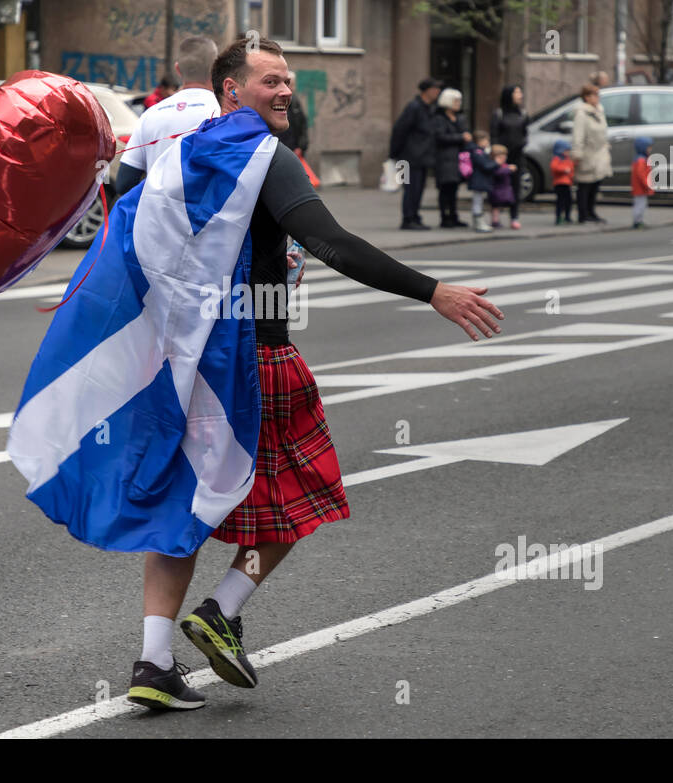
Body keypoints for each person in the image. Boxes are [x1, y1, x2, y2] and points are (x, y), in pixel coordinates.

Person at [128, 38, 504, 710]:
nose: (284, 92)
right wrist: (433, 291)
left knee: (179, 511)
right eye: (270, 80)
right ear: (230, 89)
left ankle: (153, 664)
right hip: (255, 360)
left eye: (287, 82)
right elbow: (333, 242)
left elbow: (125, 234)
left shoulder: (182, 154)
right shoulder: (266, 157)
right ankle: (222, 608)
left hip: (181, 363)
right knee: (303, 492)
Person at [116, 38, 219, 190]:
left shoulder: (150, 115)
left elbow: (124, 183)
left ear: (178, 69)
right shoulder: (224, 113)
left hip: (154, 213)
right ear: (216, 68)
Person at [389, 77, 442, 230]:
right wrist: (394, 154)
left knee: (418, 189)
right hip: (409, 157)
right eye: (435, 89)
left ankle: (415, 216)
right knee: (411, 189)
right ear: (427, 91)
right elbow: (400, 130)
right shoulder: (414, 107)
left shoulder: (429, 108)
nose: (438, 92)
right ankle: (408, 219)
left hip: (423, 157)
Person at [571, 83, 611, 224]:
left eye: (597, 95)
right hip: (587, 153)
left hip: (599, 153)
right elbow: (578, 136)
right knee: (584, 185)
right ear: (586, 97)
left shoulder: (599, 111)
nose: (597, 98)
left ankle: (591, 211)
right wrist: (577, 154)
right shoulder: (581, 114)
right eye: (594, 95)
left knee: (595, 184)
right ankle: (583, 214)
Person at [432, 88, 472, 227]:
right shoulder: (439, 118)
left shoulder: (460, 118)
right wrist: (461, 137)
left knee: (454, 189)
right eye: (456, 100)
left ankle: (454, 216)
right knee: (445, 189)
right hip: (444, 158)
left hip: (457, 159)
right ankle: (445, 217)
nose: (459, 103)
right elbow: (440, 137)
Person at [489, 85, 528, 230]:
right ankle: (495, 215)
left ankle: (514, 216)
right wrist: (495, 154)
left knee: (515, 186)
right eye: (516, 92)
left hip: (517, 155)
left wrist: (523, 143)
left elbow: (525, 133)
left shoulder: (523, 114)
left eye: (520, 92)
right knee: (498, 186)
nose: (520, 95)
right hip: (501, 156)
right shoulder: (499, 114)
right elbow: (494, 134)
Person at [467, 130, 495, 233]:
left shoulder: (479, 151)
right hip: (478, 180)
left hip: (479, 180)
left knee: (478, 200)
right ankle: (478, 222)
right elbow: (485, 165)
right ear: (479, 141)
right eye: (486, 140)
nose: (487, 142)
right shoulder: (477, 152)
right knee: (477, 201)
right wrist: (496, 163)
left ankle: (478, 222)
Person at [277, 70, 309, 154]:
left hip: (293, 149)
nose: (291, 88)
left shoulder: (295, 103)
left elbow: (302, 125)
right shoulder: (275, 102)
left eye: (292, 85)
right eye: (288, 84)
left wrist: (301, 147)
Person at [487, 144, 517, 229]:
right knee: (495, 206)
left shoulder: (504, 165)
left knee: (503, 205)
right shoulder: (494, 166)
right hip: (496, 190)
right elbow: (498, 173)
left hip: (504, 189)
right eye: (500, 157)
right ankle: (495, 221)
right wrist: (508, 169)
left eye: (504, 156)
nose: (503, 158)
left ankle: (512, 220)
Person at [630, 136, 655, 229]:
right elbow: (641, 175)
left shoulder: (642, 159)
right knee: (640, 205)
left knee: (642, 205)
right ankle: (637, 222)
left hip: (641, 188)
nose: (650, 150)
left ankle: (639, 221)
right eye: (648, 147)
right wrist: (647, 184)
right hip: (640, 188)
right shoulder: (641, 160)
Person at [550, 139, 575, 225]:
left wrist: (571, 175)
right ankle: (558, 218)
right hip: (559, 184)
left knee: (569, 201)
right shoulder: (557, 159)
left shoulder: (568, 159)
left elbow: (571, 168)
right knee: (560, 201)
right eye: (566, 150)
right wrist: (564, 170)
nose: (568, 152)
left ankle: (567, 217)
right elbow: (554, 167)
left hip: (567, 183)